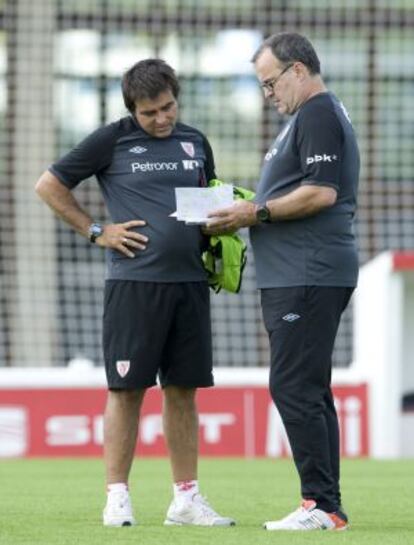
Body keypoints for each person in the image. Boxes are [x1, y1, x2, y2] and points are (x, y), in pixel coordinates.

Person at [35, 59, 235, 528]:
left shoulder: (195, 141)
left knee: (183, 391)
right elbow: (49, 185)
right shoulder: (112, 139)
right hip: (134, 286)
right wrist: (95, 230)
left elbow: (209, 200)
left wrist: (220, 222)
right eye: (150, 113)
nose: (162, 118)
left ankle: (186, 500)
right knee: (126, 391)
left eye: (168, 107)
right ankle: (117, 497)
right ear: (133, 111)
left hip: (190, 285)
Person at [205, 32, 359, 531]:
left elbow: (320, 194)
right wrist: (249, 206)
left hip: (307, 273)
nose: (268, 94)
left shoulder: (315, 113)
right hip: (300, 273)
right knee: (309, 387)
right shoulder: (307, 119)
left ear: (297, 70)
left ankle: (320, 505)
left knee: (292, 385)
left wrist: (256, 211)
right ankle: (326, 505)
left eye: (270, 83)